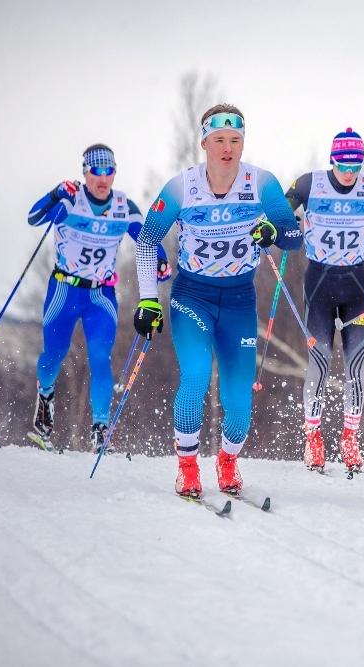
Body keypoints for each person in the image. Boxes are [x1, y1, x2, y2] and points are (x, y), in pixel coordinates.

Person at [133, 104, 304, 498]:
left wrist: (271, 229)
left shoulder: (262, 182)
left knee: (238, 399)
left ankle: (227, 460)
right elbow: (146, 242)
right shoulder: (181, 186)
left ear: (243, 143)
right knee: (194, 377)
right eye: (219, 140)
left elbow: (293, 236)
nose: (227, 149)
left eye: (235, 140)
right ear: (205, 143)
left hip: (240, 300)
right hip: (192, 294)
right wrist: (148, 301)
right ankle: (188, 468)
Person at [27, 144, 170, 452]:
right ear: (85, 173)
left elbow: (147, 239)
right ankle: (45, 399)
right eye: (96, 171)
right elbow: (33, 218)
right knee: (54, 354)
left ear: (115, 173)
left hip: (101, 295)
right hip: (65, 290)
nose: (103, 178)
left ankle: (100, 429)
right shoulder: (70, 201)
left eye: (109, 171)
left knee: (101, 360)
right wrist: (54, 194)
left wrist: (159, 260)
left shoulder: (124, 206)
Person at [284, 128, 364, 473]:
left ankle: (349, 438)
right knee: (319, 362)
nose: (349, 172)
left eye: (355, 165)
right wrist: (282, 220)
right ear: (332, 160)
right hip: (318, 283)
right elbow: (278, 210)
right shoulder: (309, 183)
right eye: (343, 164)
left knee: (357, 368)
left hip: (355, 287)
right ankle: (314, 438)